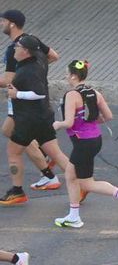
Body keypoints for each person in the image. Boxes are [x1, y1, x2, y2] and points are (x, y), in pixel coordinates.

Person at [49, 59, 118, 229]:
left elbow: (68, 123)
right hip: (95, 140)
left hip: (82, 142)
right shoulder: (94, 93)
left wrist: (56, 124)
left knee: (78, 179)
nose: (66, 77)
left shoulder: (71, 95)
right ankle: (75, 215)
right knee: (78, 178)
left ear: (74, 76)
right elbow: (108, 116)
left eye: (67, 74)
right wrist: (89, 123)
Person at [2, 35, 72, 209]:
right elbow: (50, 52)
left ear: (26, 51)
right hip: (43, 116)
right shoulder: (40, 58)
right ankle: (81, 184)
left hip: (28, 120)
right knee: (55, 153)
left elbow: (38, 92)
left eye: (17, 46)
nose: (14, 49)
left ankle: (17, 191)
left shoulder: (28, 71)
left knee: (13, 152)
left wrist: (16, 94)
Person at [0, 10, 60, 194]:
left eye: (2, 21)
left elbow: (8, 79)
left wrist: (27, 76)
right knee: (11, 132)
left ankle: (48, 175)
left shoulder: (14, 50)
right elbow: (54, 56)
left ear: (12, 24)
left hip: (22, 102)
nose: (0, 24)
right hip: (32, 103)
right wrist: (37, 72)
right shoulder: (32, 40)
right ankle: (48, 171)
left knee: (15, 136)